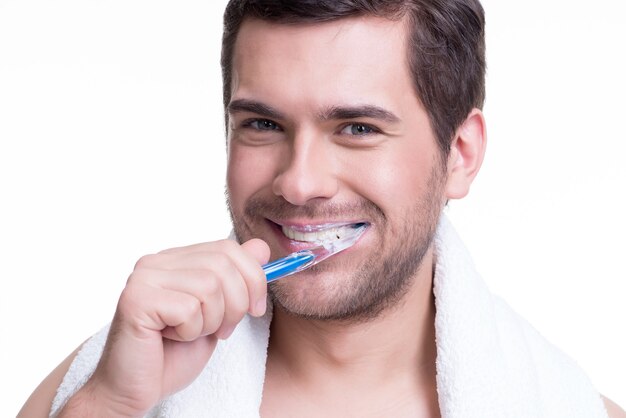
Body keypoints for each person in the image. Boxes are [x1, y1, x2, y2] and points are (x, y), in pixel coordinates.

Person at [18, 0, 625, 417]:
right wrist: (111, 404)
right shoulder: (103, 389)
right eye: (262, 123)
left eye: (357, 128)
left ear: (460, 155)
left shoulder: (563, 405)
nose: (300, 182)